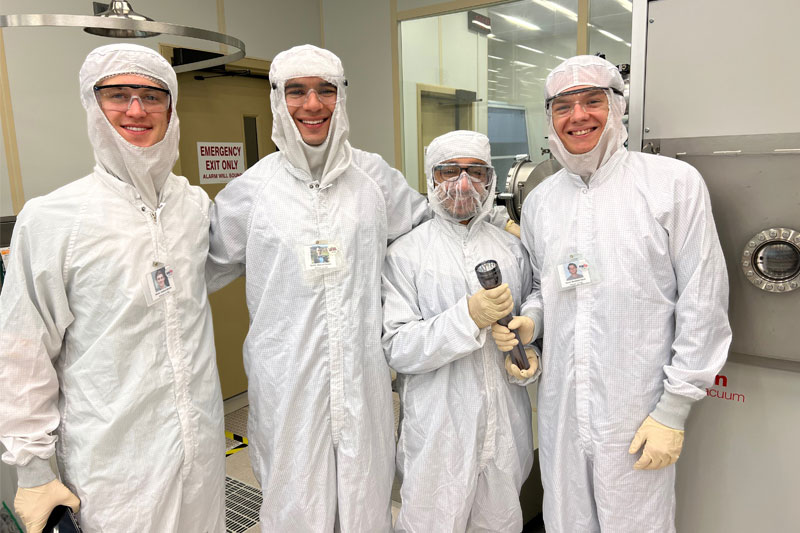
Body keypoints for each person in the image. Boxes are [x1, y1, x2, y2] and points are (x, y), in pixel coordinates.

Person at [491, 55, 731, 532]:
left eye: (591, 101)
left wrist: (673, 408)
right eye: (563, 106)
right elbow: (545, 287)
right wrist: (532, 322)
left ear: (617, 107)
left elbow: (703, 298)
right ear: (550, 119)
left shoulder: (671, 184)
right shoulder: (541, 200)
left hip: (638, 410)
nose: (578, 116)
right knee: (566, 521)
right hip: (561, 408)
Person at [0, 44, 225, 533]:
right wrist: (34, 470)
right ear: (91, 104)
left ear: (171, 108)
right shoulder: (53, 219)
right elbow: (21, 351)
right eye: (117, 94)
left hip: (200, 454)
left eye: (151, 95)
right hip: (115, 469)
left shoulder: (193, 207)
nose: (136, 110)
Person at [206, 44, 431, 531]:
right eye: (297, 91)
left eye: (325, 90)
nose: (312, 105)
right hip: (286, 383)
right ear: (276, 100)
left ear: (341, 97)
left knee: (366, 496)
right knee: (293, 504)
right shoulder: (252, 190)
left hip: (364, 379)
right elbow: (196, 269)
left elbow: (428, 234)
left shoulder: (373, 178)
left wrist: (493, 227)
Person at [382, 130, 540, 532]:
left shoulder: (512, 249)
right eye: (450, 171)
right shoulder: (406, 255)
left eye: (476, 172)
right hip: (438, 434)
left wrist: (530, 352)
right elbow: (398, 348)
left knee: (500, 523)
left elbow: (530, 320)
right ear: (431, 179)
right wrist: (467, 317)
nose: (463, 184)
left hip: (505, 430)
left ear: (491, 179)